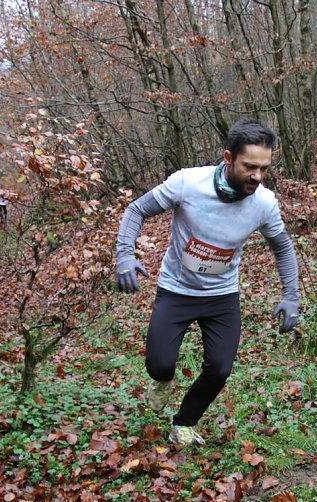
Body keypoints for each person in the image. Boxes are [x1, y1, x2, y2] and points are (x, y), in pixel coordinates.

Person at [114, 119, 299, 446]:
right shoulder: (187, 183)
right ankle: (161, 381)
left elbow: (282, 247)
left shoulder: (264, 204)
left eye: (264, 168)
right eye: (250, 166)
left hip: (222, 296)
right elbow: (137, 210)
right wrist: (125, 254)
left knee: (219, 369)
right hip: (176, 291)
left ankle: (184, 423)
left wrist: (291, 295)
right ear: (228, 158)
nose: (257, 176)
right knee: (159, 364)